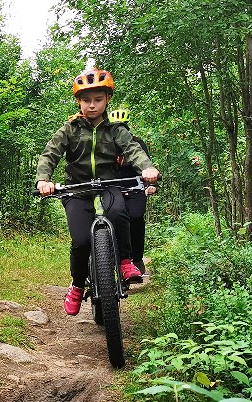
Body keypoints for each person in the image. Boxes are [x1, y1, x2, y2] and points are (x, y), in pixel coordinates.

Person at [36, 68, 160, 315]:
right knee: (81, 241)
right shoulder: (69, 129)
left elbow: (133, 149)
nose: (92, 105)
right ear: (78, 101)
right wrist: (43, 179)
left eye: (98, 100)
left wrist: (147, 168)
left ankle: (125, 262)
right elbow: (50, 153)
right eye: (86, 100)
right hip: (77, 189)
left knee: (118, 213)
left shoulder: (116, 130)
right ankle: (77, 284)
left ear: (107, 99)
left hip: (108, 185)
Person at [108, 108, 156, 275]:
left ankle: (136, 258)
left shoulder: (137, 143)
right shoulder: (106, 146)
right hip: (113, 189)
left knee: (135, 217)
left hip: (135, 187)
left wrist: (151, 183)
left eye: (122, 128)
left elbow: (145, 165)